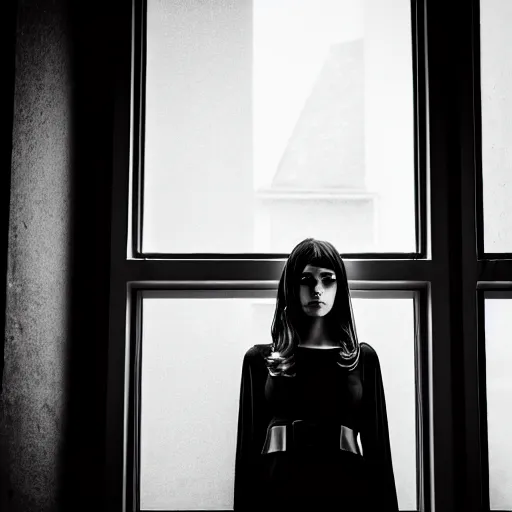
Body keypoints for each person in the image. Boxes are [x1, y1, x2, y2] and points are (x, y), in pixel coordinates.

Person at [233, 238, 398, 511]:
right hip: (277, 493)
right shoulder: (260, 361)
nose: (317, 289)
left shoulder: (362, 359)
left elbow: (379, 455)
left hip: (349, 492)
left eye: (327, 280)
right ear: (291, 286)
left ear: (340, 287)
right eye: (306, 279)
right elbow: (247, 457)